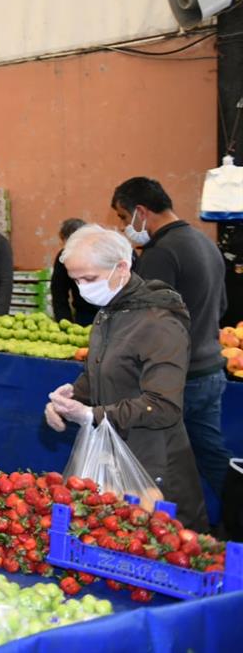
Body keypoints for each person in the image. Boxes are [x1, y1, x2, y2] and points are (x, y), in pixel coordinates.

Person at [44, 224, 208, 531]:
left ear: (121, 267)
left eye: (89, 278)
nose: (82, 288)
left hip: (153, 462)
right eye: (76, 280)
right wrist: (69, 401)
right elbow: (99, 373)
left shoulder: (159, 323)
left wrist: (92, 414)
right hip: (115, 456)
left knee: (160, 546)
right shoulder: (111, 313)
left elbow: (163, 405)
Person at [112, 176, 233, 506]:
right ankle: (235, 521)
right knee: (211, 454)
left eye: (124, 218)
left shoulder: (161, 253)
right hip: (210, 370)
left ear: (141, 212)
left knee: (159, 465)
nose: (125, 227)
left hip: (175, 380)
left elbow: (148, 323)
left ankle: (169, 533)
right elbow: (221, 307)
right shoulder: (205, 243)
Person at [50, 218, 97, 325]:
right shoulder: (63, 258)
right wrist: (65, 322)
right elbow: (59, 293)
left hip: (110, 311)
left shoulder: (104, 253)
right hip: (83, 314)